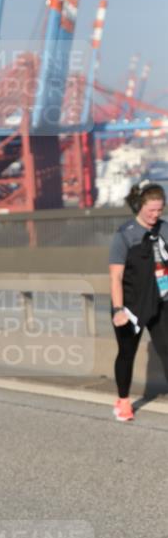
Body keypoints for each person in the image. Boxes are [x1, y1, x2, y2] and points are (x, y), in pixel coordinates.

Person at [109, 180, 168, 421]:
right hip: (131, 305)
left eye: (160, 210)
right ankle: (123, 401)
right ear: (139, 206)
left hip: (161, 302)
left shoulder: (165, 229)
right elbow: (116, 277)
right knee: (127, 353)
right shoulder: (125, 234)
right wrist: (118, 309)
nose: (156, 215)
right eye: (151, 210)